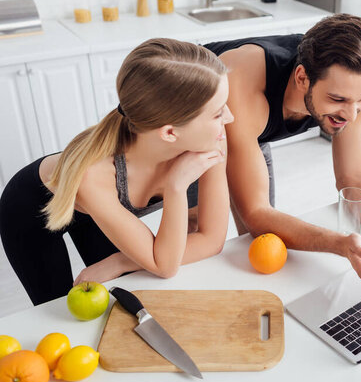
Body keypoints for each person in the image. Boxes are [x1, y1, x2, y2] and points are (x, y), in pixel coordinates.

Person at [203, 14, 361, 294]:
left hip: (251, 131)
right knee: (197, 242)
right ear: (302, 78)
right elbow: (256, 213)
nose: (351, 114)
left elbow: (354, 176)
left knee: (264, 241)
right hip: (190, 129)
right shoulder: (240, 79)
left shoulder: (352, 91)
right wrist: (339, 243)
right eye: (338, 100)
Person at [0, 38, 233, 306]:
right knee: (60, 306)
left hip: (102, 205)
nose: (229, 118)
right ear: (170, 132)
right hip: (33, 210)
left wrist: (120, 262)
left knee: (119, 294)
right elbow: (166, 264)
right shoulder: (95, 174)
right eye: (217, 113)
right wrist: (176, 187)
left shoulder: (213, 139)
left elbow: (211, 240)